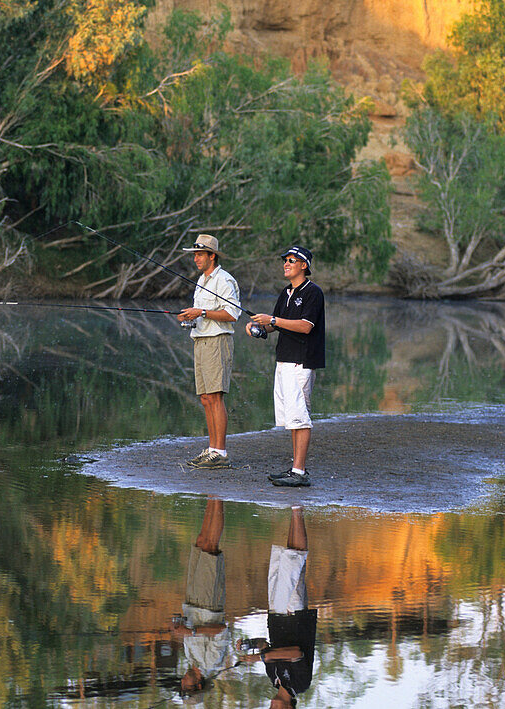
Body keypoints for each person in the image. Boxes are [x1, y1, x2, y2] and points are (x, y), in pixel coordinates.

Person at [245, 245, 324, 487]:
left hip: (301, 361)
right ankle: (295, 469)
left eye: (292, 260)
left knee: (301, 418)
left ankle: (299, 473)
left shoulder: (313, 292)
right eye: (285, 260)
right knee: (292, 418)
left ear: (304, 266)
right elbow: (275, 325)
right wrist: (259, 327)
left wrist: (273, 320)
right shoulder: (286, 292)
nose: (286, 264)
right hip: (284, 360)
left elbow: (305, 326)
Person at [239, 506, 317, 708]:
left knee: (286, 560)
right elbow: (295, 653)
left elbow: (266, 645)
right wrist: (260, 657)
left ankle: (294, 510)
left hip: (276, 616)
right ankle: (298, 509)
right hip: (295, 617)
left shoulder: (273, 680)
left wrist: (252, 644)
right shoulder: (300, 685)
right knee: (296, 560)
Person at [177, 234, 241, 469]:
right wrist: (190, 316)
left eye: (199, 254)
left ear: (212, 256)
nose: (195, 259)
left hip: (217, 341)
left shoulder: (224, 280)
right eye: (194, 255)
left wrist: (201, 312)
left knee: (215, 396)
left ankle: (221, 452)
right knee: (205, 398)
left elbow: (233, 315)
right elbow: (201, 312)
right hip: (200, 340)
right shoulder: (202, 280)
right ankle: (212, 449)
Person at [171, 497, 233, 696]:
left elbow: (191, 630)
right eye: (185, 685)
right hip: (209, 604)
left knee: (201, 542)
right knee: (210, 548)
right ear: (198, 685)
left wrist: (179, 624)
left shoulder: (192, 659)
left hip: (192, 602)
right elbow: (222, 630)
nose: (182, 680)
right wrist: (191, 633)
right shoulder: (211, 663)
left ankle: (211, 496)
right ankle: (220, 497)